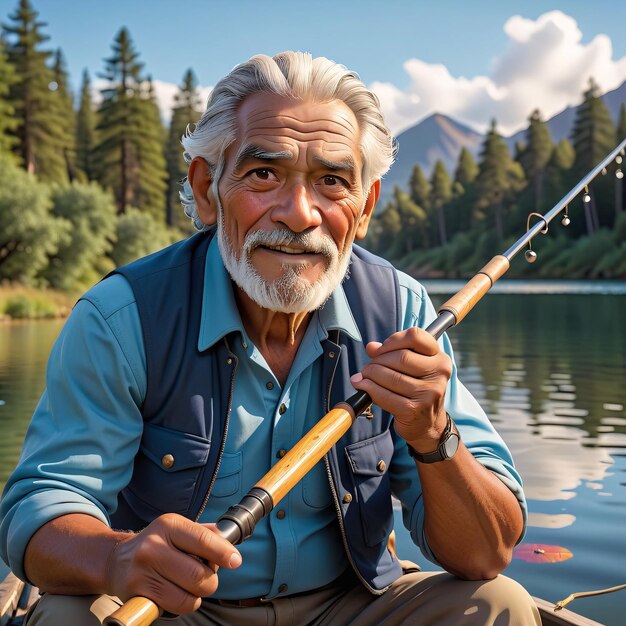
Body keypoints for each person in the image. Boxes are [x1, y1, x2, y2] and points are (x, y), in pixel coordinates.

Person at [0, 51, 540, 625]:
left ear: (363, 208)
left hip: (350, 606)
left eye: (332, 181)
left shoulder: (401, 309)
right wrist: (117, 557)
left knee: (497, 603)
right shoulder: (121, 317)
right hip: (176, 613)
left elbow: (487, 552)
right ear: (208, 188)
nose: (300, 213)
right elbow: (38, 513)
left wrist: (433, 435)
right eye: (264, 174)